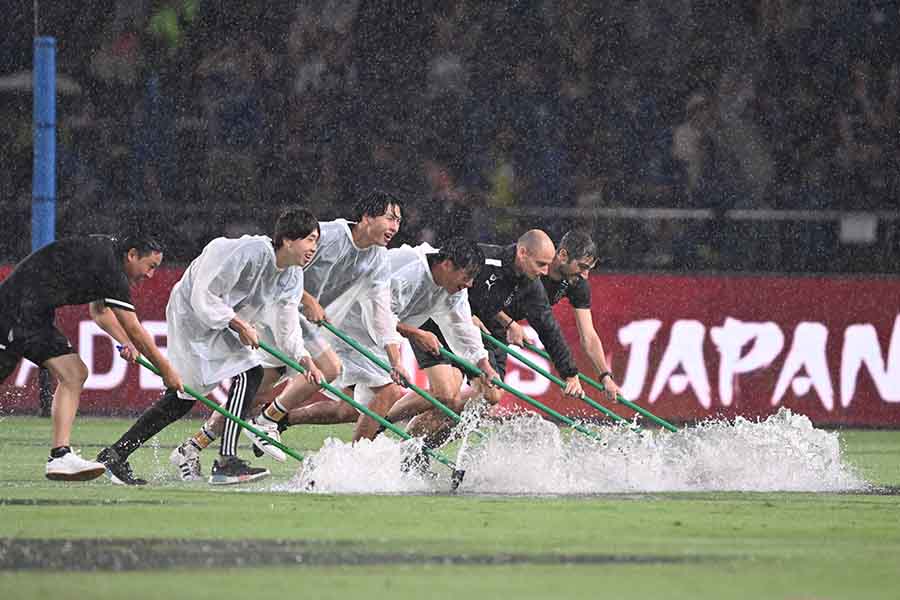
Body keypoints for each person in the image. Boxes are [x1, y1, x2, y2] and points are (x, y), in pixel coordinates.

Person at [170, 191, 409, 477]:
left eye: (399, 221)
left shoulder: (378, 259)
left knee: (252, 396)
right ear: (367, 217)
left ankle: (192, 447)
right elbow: (283, 263)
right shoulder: (327, 235)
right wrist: (307, 299)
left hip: (303, 322)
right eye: (390, 218)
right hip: (278, 312)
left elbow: (381, 313)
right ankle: (269, 419)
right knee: (329, 368)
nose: (395, 227)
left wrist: (394, 358)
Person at [97, 207, 324, 485]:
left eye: (317, 240)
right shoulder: (249, 252)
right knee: (249, 372)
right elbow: (203, 296)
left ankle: (115, 454)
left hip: (223, 319)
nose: (315, 247)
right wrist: (239, 324)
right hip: (191, 313)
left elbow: (287, 325)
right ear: (288, 239)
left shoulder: (292, 276)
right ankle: (227, 461)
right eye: (310, 239)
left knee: (182, 398)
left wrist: (304, 359)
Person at [0, 233, 183, 481]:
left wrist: (125, 343)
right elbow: (134, 328)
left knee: (74, 373)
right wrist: (166, 370)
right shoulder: (111, 269)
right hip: (11, 310)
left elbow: (99, 312)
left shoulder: (108, 259)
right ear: (132, 255)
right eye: (150, 266)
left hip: (35, 318)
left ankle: (60, 457)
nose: (150, 275)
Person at [284, 237, 499, 442]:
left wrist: (483, 364)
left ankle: (281, 418)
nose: (469, 284)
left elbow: (461, 327)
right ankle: (356, 461)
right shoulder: (408, 273)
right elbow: (380, 316)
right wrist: (415, 334)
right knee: (388, 392)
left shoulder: (453, 288)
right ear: (447, 264)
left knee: (353, 409)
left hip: (375, 338)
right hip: (347, 325)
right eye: (466, 276)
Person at [384, 229, 585, 447]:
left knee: (489, 398)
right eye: (540, 264)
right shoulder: (484, 258)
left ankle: (419, 448)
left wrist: (569, 373)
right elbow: (448, 274)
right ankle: (382, 422)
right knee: (445, 393)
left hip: (482, 334)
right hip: (443, 321)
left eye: (548, 264)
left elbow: (548, 327)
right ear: (523, 253)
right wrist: (496, 320)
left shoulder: (533, 287)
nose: (545, 272)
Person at [502, 230, 621, 401]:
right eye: (582, 266)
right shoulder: (531, 265)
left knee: (491, 395)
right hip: (484, 316)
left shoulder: (577, 283)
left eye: (589, 269)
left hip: (501, 328)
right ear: (563, 255)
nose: (585, 275)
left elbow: (588, 336)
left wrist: (605, 377)